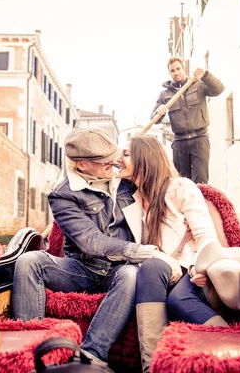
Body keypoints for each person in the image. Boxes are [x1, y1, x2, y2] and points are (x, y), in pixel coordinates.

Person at [12, 127, 158, 363]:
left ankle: (91, 356)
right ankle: (33, 353)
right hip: (82, 270)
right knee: (28, 261)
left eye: (113, 156)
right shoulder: (62, 195)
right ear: (82, 165)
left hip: (120, 271)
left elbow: (157, 178)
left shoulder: (125, 180)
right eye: (105, 161)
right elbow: (89, 240)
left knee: (131, 274)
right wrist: (135, 251)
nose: (114, 162)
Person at [116, 135, 240, 372]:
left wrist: (198, 267)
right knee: (151, 267)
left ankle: (235, 344)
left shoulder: (180, 188)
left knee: (178, 298)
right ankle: (151, 366)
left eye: (126, 154)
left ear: (145, 158)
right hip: (161, 271)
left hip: (192, 268)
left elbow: (205, 236)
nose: (118, 159)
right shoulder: (130, 199)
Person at [150, 56, 225, 184]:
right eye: (172, 71)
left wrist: (205, 75)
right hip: (180, 144)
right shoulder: (165, 95)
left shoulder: (198, 85)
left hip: (200, 139)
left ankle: (201, 204)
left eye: (178, 69)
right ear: (169, 73)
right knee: (182, 183)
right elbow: (154, 119)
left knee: (201, 182)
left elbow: (219, 89)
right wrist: (159, 112)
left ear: (184, 69)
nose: (176, 73)